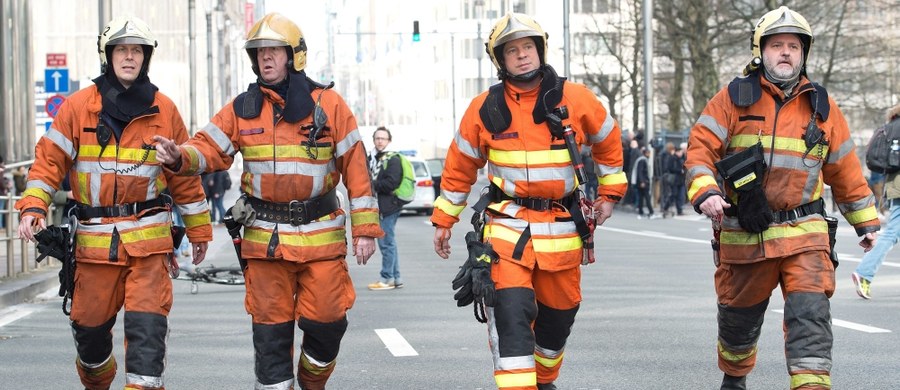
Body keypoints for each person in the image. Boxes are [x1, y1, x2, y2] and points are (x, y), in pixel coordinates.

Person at [152, 13, 382, 389]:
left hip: (320, 239)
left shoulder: (330, 104)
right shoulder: (242, 108)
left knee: (328, 325)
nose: (266, 59)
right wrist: (179, 157)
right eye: (259, 53)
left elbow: (356, 168)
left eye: (274, 51)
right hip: (266, 243)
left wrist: (366, 230)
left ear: (294, 56)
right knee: (270, 338)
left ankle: (311, 381)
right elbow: (207, 148)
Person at [685, 7, 879, 389]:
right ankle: (734, 378)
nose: (786, 52)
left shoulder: (823, 108)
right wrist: (706, 192)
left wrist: (866, 222)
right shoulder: (730, 100)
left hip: (804, 233)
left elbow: (845, 170)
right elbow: (699, 152)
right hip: (745, 233)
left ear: (803, 53)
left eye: (793, 46)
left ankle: (811, 384)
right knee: (738, 324)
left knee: (811, 313)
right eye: (777, 45)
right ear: (762, 51)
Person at [15, 16, 213, 390]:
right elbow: (48, 162)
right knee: (89, 339)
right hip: (94, 246)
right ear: (108, 55)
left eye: (136, 51)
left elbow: (184, 175)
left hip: (149, 245)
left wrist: (200, 229)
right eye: (121, 50)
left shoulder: (165, 110)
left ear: (146, 58)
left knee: (147, 333)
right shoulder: (77, 108)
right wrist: (33, 207)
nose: (129, 57)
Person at [431, 13, 626, 390]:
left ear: (540, 50)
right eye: (512, 51)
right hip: (507, 227)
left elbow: (608, 141)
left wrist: (610, 194)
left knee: (559, 319)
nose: (522, 56)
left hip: (563, 230)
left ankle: (545, 379)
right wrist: (443, 220)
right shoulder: (483, 108)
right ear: (500, 60)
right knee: (511, 315)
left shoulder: (576, 99)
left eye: (528, 47)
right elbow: (459, 166)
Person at [853, 103, 900, 299]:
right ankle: (864, 272)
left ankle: (865, 272)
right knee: (893, 232)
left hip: (894, 184)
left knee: (894, 231)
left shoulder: (891, 125)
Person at [367, 126, 405, 290]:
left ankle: (387, 277)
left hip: (389, 206)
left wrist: (372, 184)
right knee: (389, 242)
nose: (380, 141)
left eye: (383, 138)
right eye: (377, 138)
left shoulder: (393, 159)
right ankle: (395, 277)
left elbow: (392, 183)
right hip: (379, 205)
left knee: (386, 242)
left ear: (389, 141)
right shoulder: (373, 158)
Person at [631, 147, 655, 219]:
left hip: (641, 182)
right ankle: (651, 212)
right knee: (647, 197)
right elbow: (640, 172)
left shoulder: (641, 159)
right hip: (643, 182)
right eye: (648, 153)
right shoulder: (643, 160)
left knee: (641, 197)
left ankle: (640, 212)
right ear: (645, 153)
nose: (649, 155)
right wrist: (642, 181)